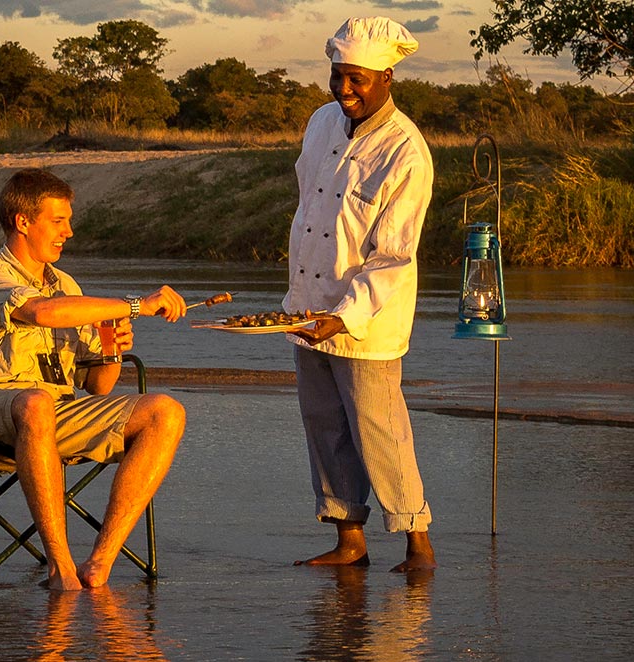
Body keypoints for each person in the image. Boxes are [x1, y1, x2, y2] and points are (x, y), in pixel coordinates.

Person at [0, 167, 191, 590]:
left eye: (68, 221)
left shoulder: (65, 284)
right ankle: (60, 567)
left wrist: (112, 344)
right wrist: (134, 305)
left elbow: (99, 386)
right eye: (58, 221)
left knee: (165, 412)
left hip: (55, 411)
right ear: (23, 222)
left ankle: (100, 563)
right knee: (35, 403)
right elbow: (41, 312)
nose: (69, 232)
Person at [285, 17, 437, 573]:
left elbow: (394, 255)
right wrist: (302, 303)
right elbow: (309, 212)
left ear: (387, 77)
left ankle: (418, 545)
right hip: (307, 307)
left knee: (380, 433)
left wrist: (343, 316)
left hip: (367, 321)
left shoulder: (406, 150)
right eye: (337, 76)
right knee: (323, 425)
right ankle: (349, 539)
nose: (344, 90)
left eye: (357, 80)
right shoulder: (322, 122)